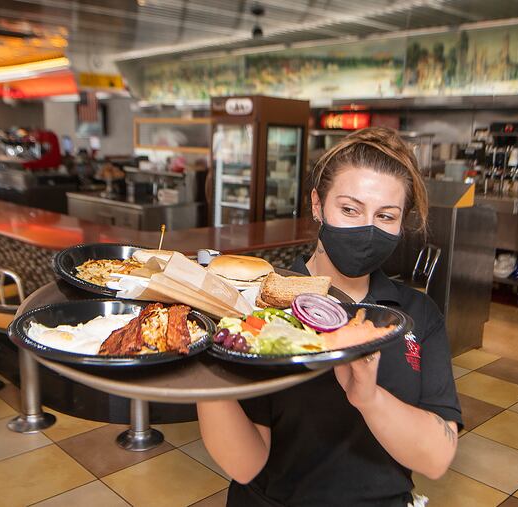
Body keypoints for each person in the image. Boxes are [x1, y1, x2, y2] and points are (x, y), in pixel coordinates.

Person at [197, 127, 462, 507]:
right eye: (350, 209)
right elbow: (245, 465)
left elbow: (435, 459)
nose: (367, 228)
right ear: (318, 205)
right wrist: (204, 364)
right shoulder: (262, 309)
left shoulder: (417, 315)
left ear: (401, 223)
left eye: (386, 216)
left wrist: (369, 398)